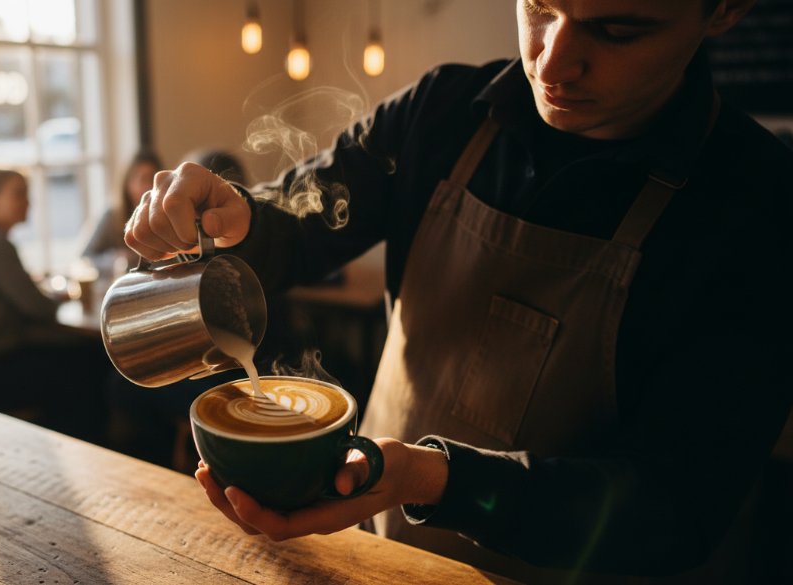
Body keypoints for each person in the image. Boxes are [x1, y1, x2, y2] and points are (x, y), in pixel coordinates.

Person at [122, 0, 793, 582]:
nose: (553, 64)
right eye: (539, 7)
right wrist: (238, 216)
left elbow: (674, 510)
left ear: (726, 9)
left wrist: (431, 479)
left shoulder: (758, 208)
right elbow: (303, 220)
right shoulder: (440, 114)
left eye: (617, 31)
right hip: (387, 561)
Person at [0, 167, 108, 444]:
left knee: (77, 358)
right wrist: (62, 295)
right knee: (87, 363)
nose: (28, 202)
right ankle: (87, 448)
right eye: (19, 194)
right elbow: (41, 310)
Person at [81, 150, 162, 262]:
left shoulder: (164, 218)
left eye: (151, 179)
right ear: (127, 182)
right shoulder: (112, 217)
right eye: (141, 179)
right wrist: (116, 259)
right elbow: (85, 258)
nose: (146, 186)